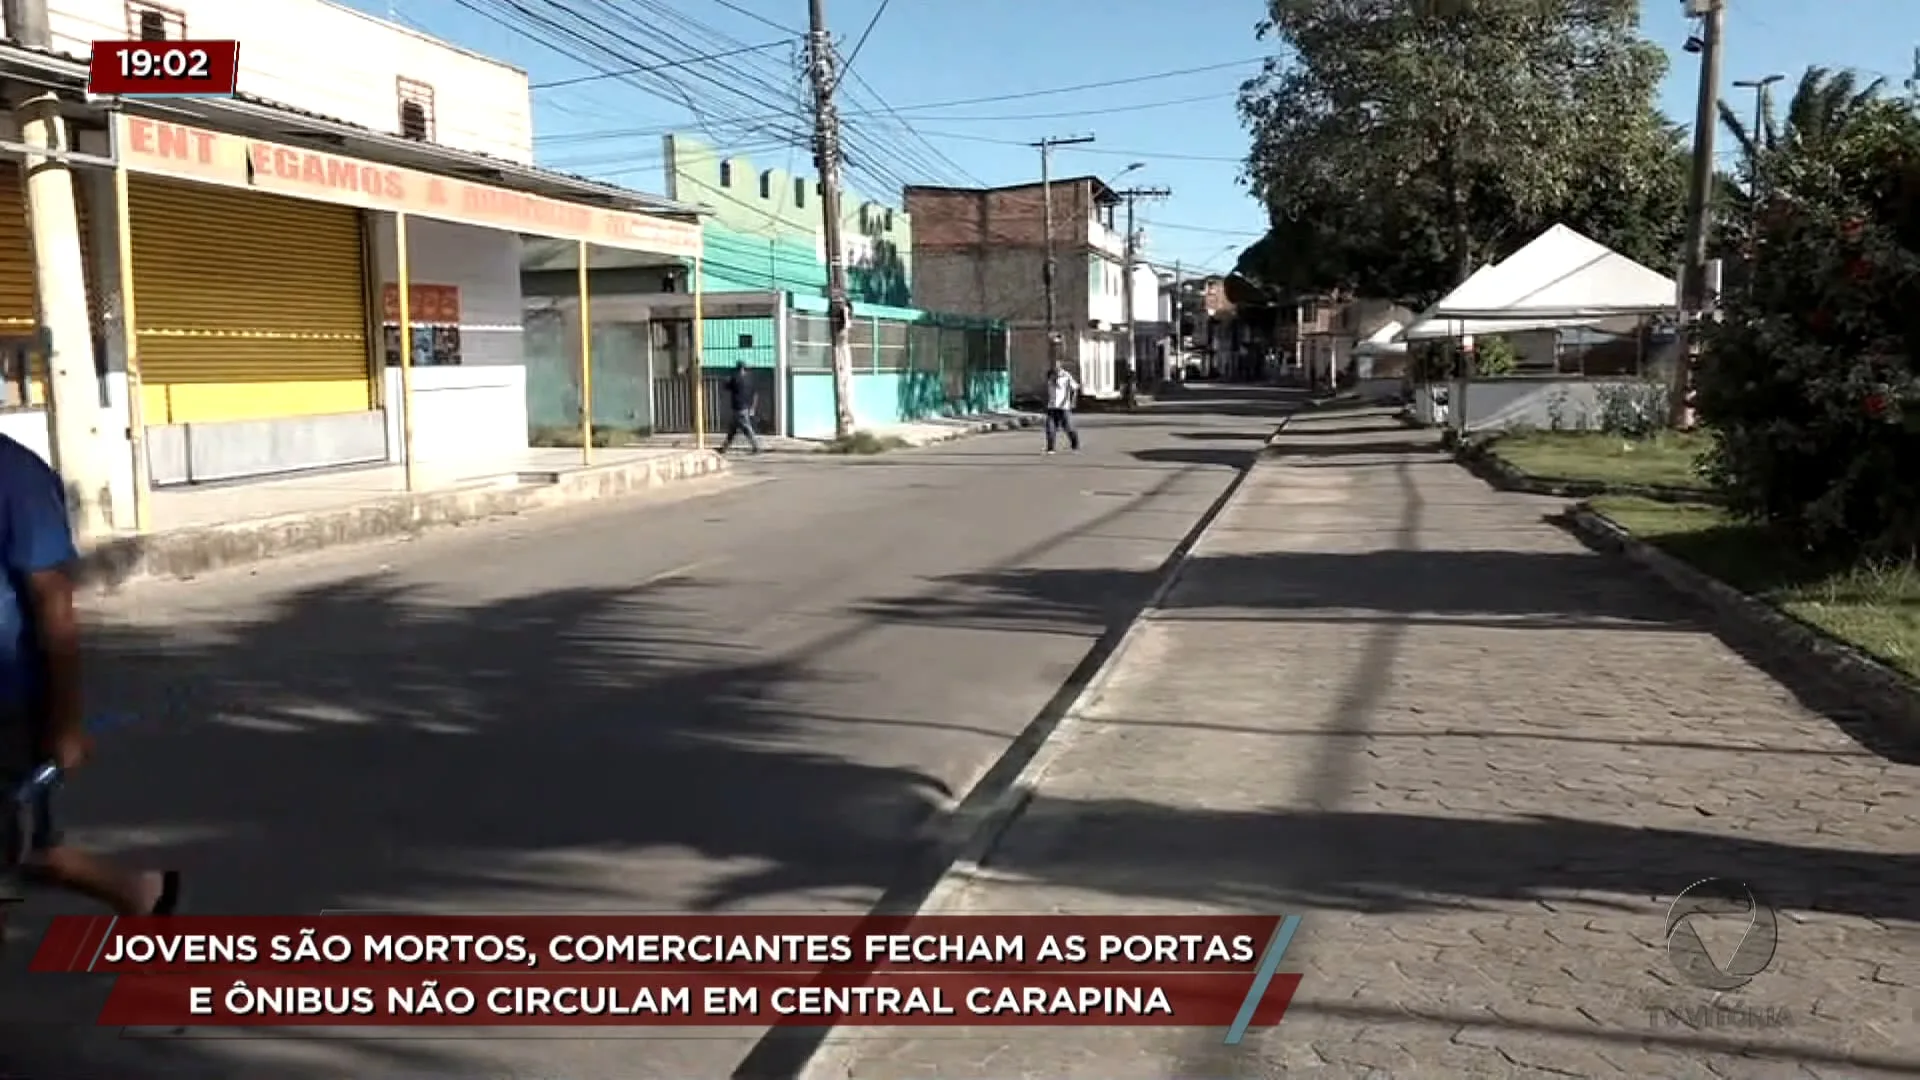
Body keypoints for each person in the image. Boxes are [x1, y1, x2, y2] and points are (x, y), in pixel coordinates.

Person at [0, 435, 177, 920]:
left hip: (8, 705)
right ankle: (140, 893)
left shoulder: (16, 477)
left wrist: (67, 722)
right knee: (35, 851)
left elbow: (54, 603)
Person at [720, 361, 762, 454]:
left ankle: (756, 447)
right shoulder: (749, 379)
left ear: (738, 369)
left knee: (746, 428)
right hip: (745, 407)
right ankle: (724, 447)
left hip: (738, 408)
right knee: (733, 429)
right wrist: (752, 408)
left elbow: (726, 386)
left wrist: (726, 379)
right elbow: (755, 394)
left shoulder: (736, 379)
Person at [1043, 359, 1081, 454]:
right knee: (1050, 427)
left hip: (1063, 406)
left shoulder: (1066, 376)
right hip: (1052, 406)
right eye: (1053, 365)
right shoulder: (1049, 376)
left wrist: (1072, 401)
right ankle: (1050, 448)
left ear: (1060, 366)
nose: (1055, 367)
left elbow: (1075, 388)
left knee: (1068, 427)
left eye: (1056, 365)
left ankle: (1075, 444)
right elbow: (1049, 390)